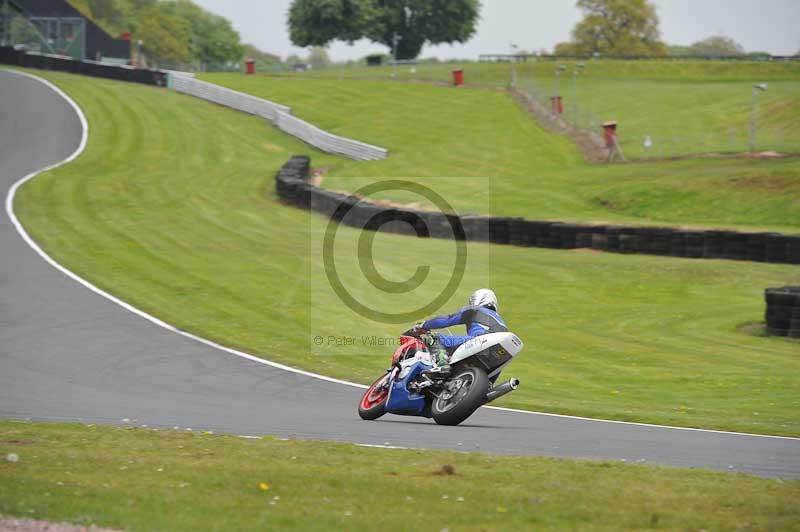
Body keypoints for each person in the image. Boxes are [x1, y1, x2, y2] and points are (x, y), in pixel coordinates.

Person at [414, 289, 507, 377]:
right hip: (499, 354)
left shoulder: (475, 310)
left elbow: (446, 320)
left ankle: (442, 365)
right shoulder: (501, 322)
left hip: (480, 340)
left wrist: (423, 326)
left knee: (435, 338)